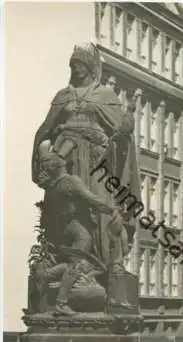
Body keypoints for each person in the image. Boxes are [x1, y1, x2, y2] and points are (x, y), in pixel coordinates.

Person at [32, 43, 141, 270]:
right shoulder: (62, 97)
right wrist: (41, 154)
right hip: (68, 160)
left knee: (101, 203)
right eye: (73, 65)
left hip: (96, 161)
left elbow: (121, 130)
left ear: (91, 67)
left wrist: (126, 126)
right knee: (67, 205)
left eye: (81, 64)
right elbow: (46, 127)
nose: (77, 69)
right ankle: (67, 260)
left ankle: (108, 261)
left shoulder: (105, 96)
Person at [37, 141, 128, 316]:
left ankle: (45, 275)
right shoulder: (72, 181)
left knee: (79, 262)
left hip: (62, 229)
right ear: (60, 164)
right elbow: (92, 199)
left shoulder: (53, 186)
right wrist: (111, 209)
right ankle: (61, 303)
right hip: (78, 229)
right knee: (77, 263)